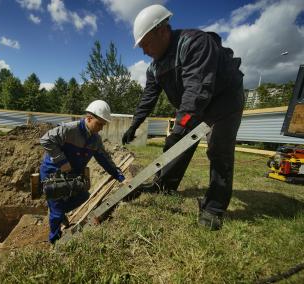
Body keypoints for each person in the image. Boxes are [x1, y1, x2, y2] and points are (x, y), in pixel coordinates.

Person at [122, 4, 244, 230]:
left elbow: (197, 90)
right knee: (177, 144)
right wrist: (134, 124)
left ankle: (214, 207)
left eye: (146, 43)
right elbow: (148, 97)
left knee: (218, 149)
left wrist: (181, 128)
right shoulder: (154, 68)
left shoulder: (195, 43)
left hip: (224, 100)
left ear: (162, 30)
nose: (144, 51)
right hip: (195, 103)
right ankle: (165, 186)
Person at [40, 100, 125, 243]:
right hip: (53, 173)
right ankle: (54, 241)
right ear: (89, 118)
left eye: (103, 125)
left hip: (72, 176)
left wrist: (120, 176)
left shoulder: (95, 140)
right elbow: (46, 140)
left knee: (83, 196)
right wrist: (62, 162)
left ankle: (60, 213)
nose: (101, 129)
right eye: (99, 124)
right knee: (56, 211)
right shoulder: (69, 129)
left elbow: (104, 159)